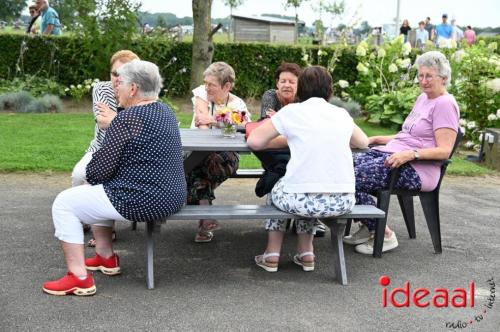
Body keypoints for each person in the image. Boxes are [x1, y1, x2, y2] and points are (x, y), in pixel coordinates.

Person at [43, 60, 186, 296]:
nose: (115, 89)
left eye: (119, 84)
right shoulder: (166, 112)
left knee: (64, 203)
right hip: (172, 196)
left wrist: (94, 170)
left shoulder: (126, 119)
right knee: (99, 189)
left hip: (144, 200)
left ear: (133, 89)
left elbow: (97, 172)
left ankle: (79, 277)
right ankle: (105, 257)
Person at [247, 66, 369, 272]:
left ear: (300, 88)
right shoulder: (341, 114)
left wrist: (290, 138)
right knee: (308, 185)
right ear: (329, 90)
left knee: (278, 185)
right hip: (342, 201)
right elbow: (363, 141)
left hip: (303, 200)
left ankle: (272, 254)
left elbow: (255, 141)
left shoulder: (292, 112)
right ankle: (306, 253)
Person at [344, 51, 460, 255]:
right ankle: (369, 225)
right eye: (421, 75)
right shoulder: (423, 98)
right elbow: (408, 135)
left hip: (415, 168)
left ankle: (384, 234)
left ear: (444, 79)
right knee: (341, 167)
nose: (423, 81)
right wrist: (376, 139)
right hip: (392, 155)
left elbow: (444, 151)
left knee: (347, 178)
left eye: (429, 76)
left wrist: (410, 154)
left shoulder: (445, 104)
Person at [71, 50, 140, 246]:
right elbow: (102, 121)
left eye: (122, 74)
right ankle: (85, 216)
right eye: (113, 73)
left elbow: (140, 126)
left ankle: (106, 231)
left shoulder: (140, 91)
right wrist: (125, 120)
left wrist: (115, 118)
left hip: (129, 151)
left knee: (106, 177)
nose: (117, 79)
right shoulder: (101, 89)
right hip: (101, 146)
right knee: (78, 175)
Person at [257, 63, 327, 238]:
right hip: (275, 147)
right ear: (277, 83)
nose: (287, 85)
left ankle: (294, 218)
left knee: (294, 168)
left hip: (295, 150)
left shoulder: (304, 100)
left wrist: (281, 118)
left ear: (299, 85)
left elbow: (305, 127)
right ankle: (306, 220)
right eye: (283, 81)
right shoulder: (270, 96)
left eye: (292, 82)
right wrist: (291, 124)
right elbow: (266, 124)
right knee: (288, 165)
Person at [188, 62, 249, 243]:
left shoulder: (238, 103)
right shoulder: (201, 92)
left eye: (211, 85)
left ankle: (203, 212)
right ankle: (205, 217)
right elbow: (202, 121)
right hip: (199, 154)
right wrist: (223, 121)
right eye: (205, 83)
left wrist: (213, 120)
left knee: (199, 165)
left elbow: (244, 124)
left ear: (227, 86)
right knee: (199, 162)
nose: (206, 87)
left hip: (225, 158)